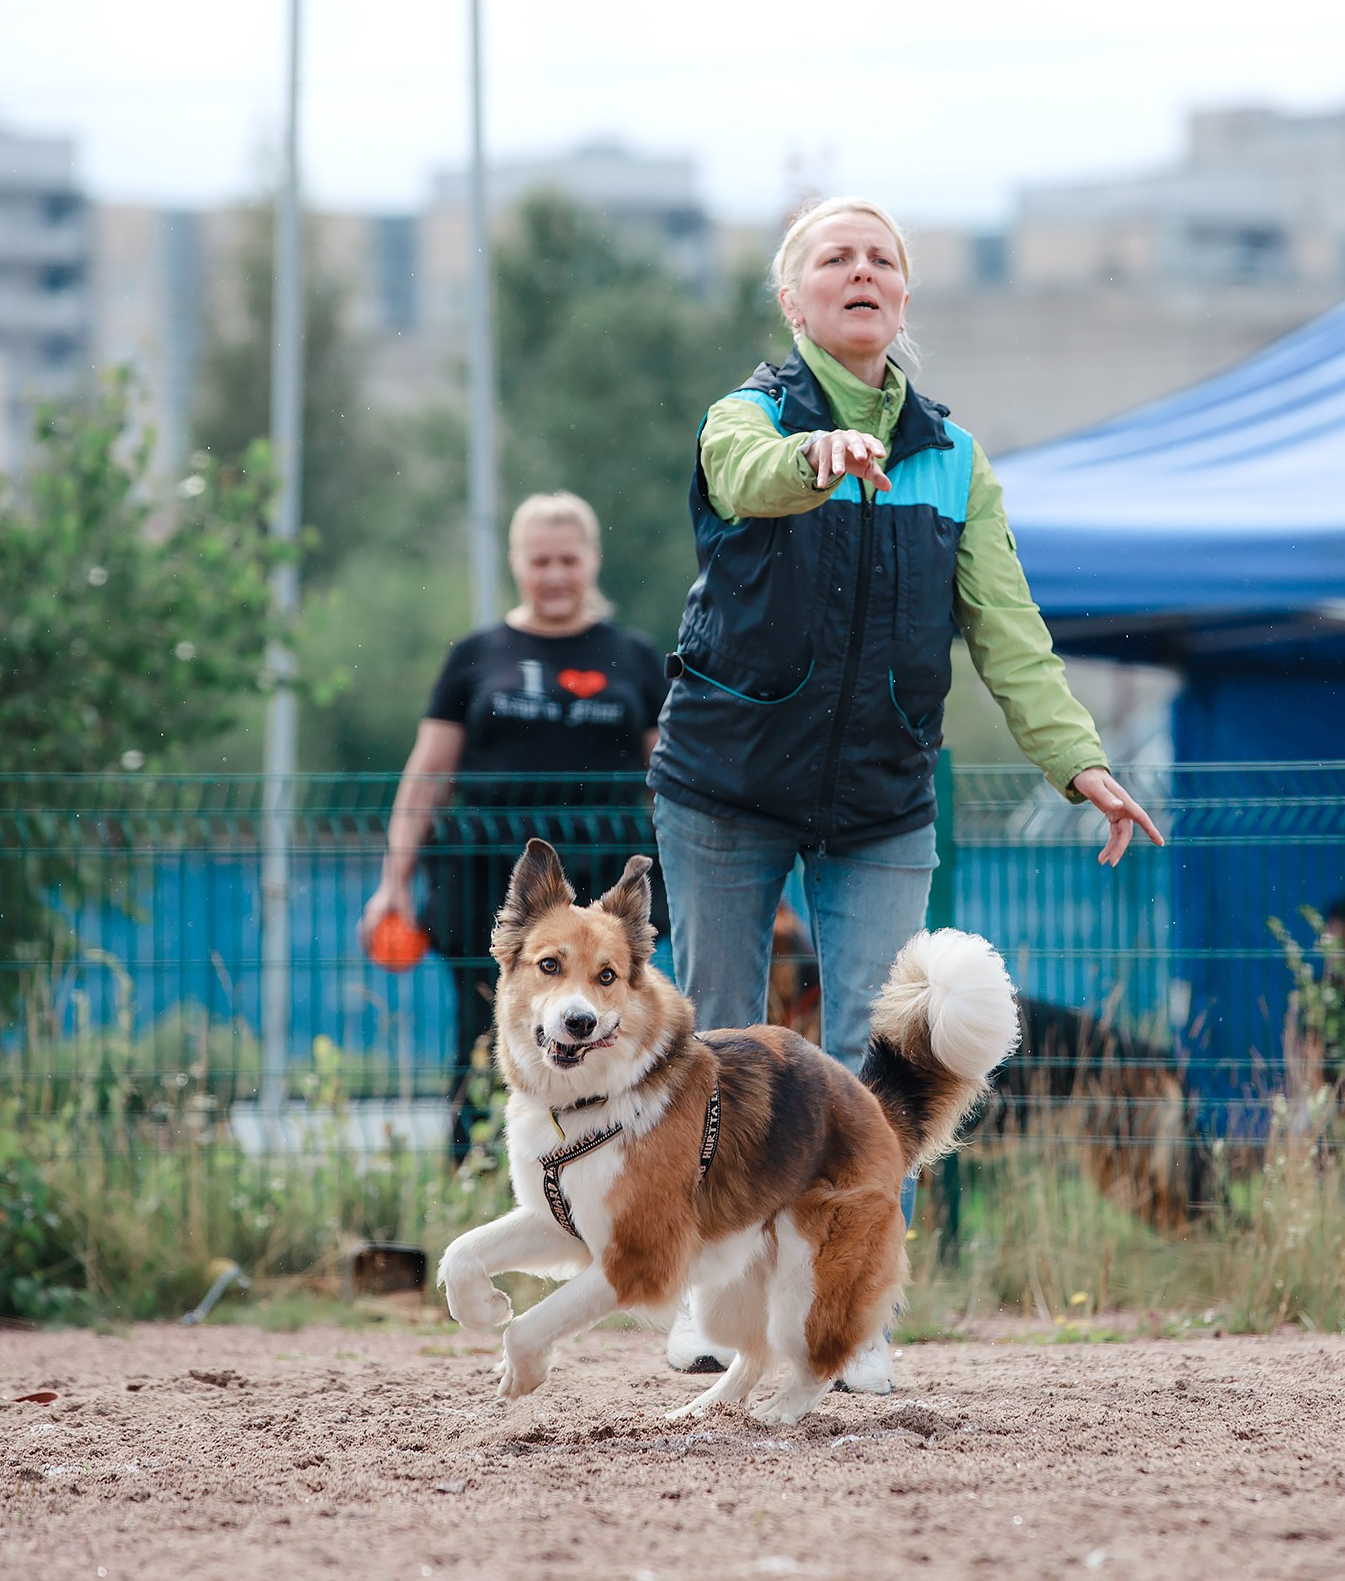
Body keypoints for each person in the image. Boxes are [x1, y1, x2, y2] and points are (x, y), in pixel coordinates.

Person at [647, 196, 1164, 1381]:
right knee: (718, 1036)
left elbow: (1007, 628)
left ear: (905, 298)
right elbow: (742, 479)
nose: (861, 270)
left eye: (882, 258)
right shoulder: (747, 417)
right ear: (794, 297)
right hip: (727, 781)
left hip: (880, 794)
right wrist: (810, 457)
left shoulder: (952, 459)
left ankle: (850, 1316)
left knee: (883, 1061)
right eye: (835, 257)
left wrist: (1078, 759)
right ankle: (710, 1304)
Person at [359, 493, 667, 1159]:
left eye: (568, 559)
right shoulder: (475, 655)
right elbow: (427, 774)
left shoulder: (636, 658)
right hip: (487, 881)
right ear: (516, 563)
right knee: (482, 1026)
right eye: (540, 560)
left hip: (606, 881)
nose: (554, 574)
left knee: (605, 1030)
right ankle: (473, 1168)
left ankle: (598, 1170)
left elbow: (668, 778)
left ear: (592, 560)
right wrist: (393, 882)